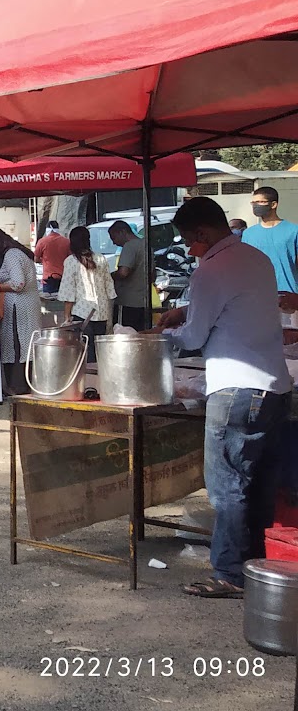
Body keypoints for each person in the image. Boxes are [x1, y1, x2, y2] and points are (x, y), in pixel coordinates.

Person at [149, 198, 292, 599]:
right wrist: (186, 309)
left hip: (235, 389)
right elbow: (237, 306)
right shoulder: (256, 258)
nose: (190, 250)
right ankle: (260, 567)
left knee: (227, 484)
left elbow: (194, 338)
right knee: (260, 483)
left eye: (189, 242)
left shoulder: (210, 269)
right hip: (274, 386)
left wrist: (163, 337)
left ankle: (229, 573)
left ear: (202, 234)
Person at [0, 230, 37, 396]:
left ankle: (18, 386)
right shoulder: (21, 253)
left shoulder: (12, 255)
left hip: (18, 307)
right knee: (25, 346)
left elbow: (18, 283)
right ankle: (24, 385)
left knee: (16, 346)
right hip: (27, 305)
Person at [57, 226, 116, 361]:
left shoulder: (71, 262)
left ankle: (88, 381)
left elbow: (68, 293)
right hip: (101, 314)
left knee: (84, 355)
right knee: (100, 355)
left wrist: (67, 317)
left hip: (81, 315)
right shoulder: (101, 259)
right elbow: (110, 290)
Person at [240, 187, 298, 295]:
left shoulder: (293, 231)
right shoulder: (248, 234)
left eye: (260, 202)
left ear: (273, 204)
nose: (255, 206)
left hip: (288, 296)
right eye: (253, 203)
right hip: (258, 296)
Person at [109, 220, 150, 331]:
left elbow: (123, 272)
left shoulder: (129, 246)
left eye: (114, 238)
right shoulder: (145, 245)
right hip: (144, 300)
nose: (114, 243)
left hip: (127, 302)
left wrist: (110, 276)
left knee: (124, 334)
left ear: (122, 232)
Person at [33, 221, 71, 294]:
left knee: (49, 303)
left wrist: (44, 260)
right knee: (64, 302)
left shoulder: (42, 242)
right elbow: (70, 258)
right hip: (64, 278)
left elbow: (36, 259)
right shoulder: (67, 242)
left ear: (47, 230)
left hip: (48, 279)